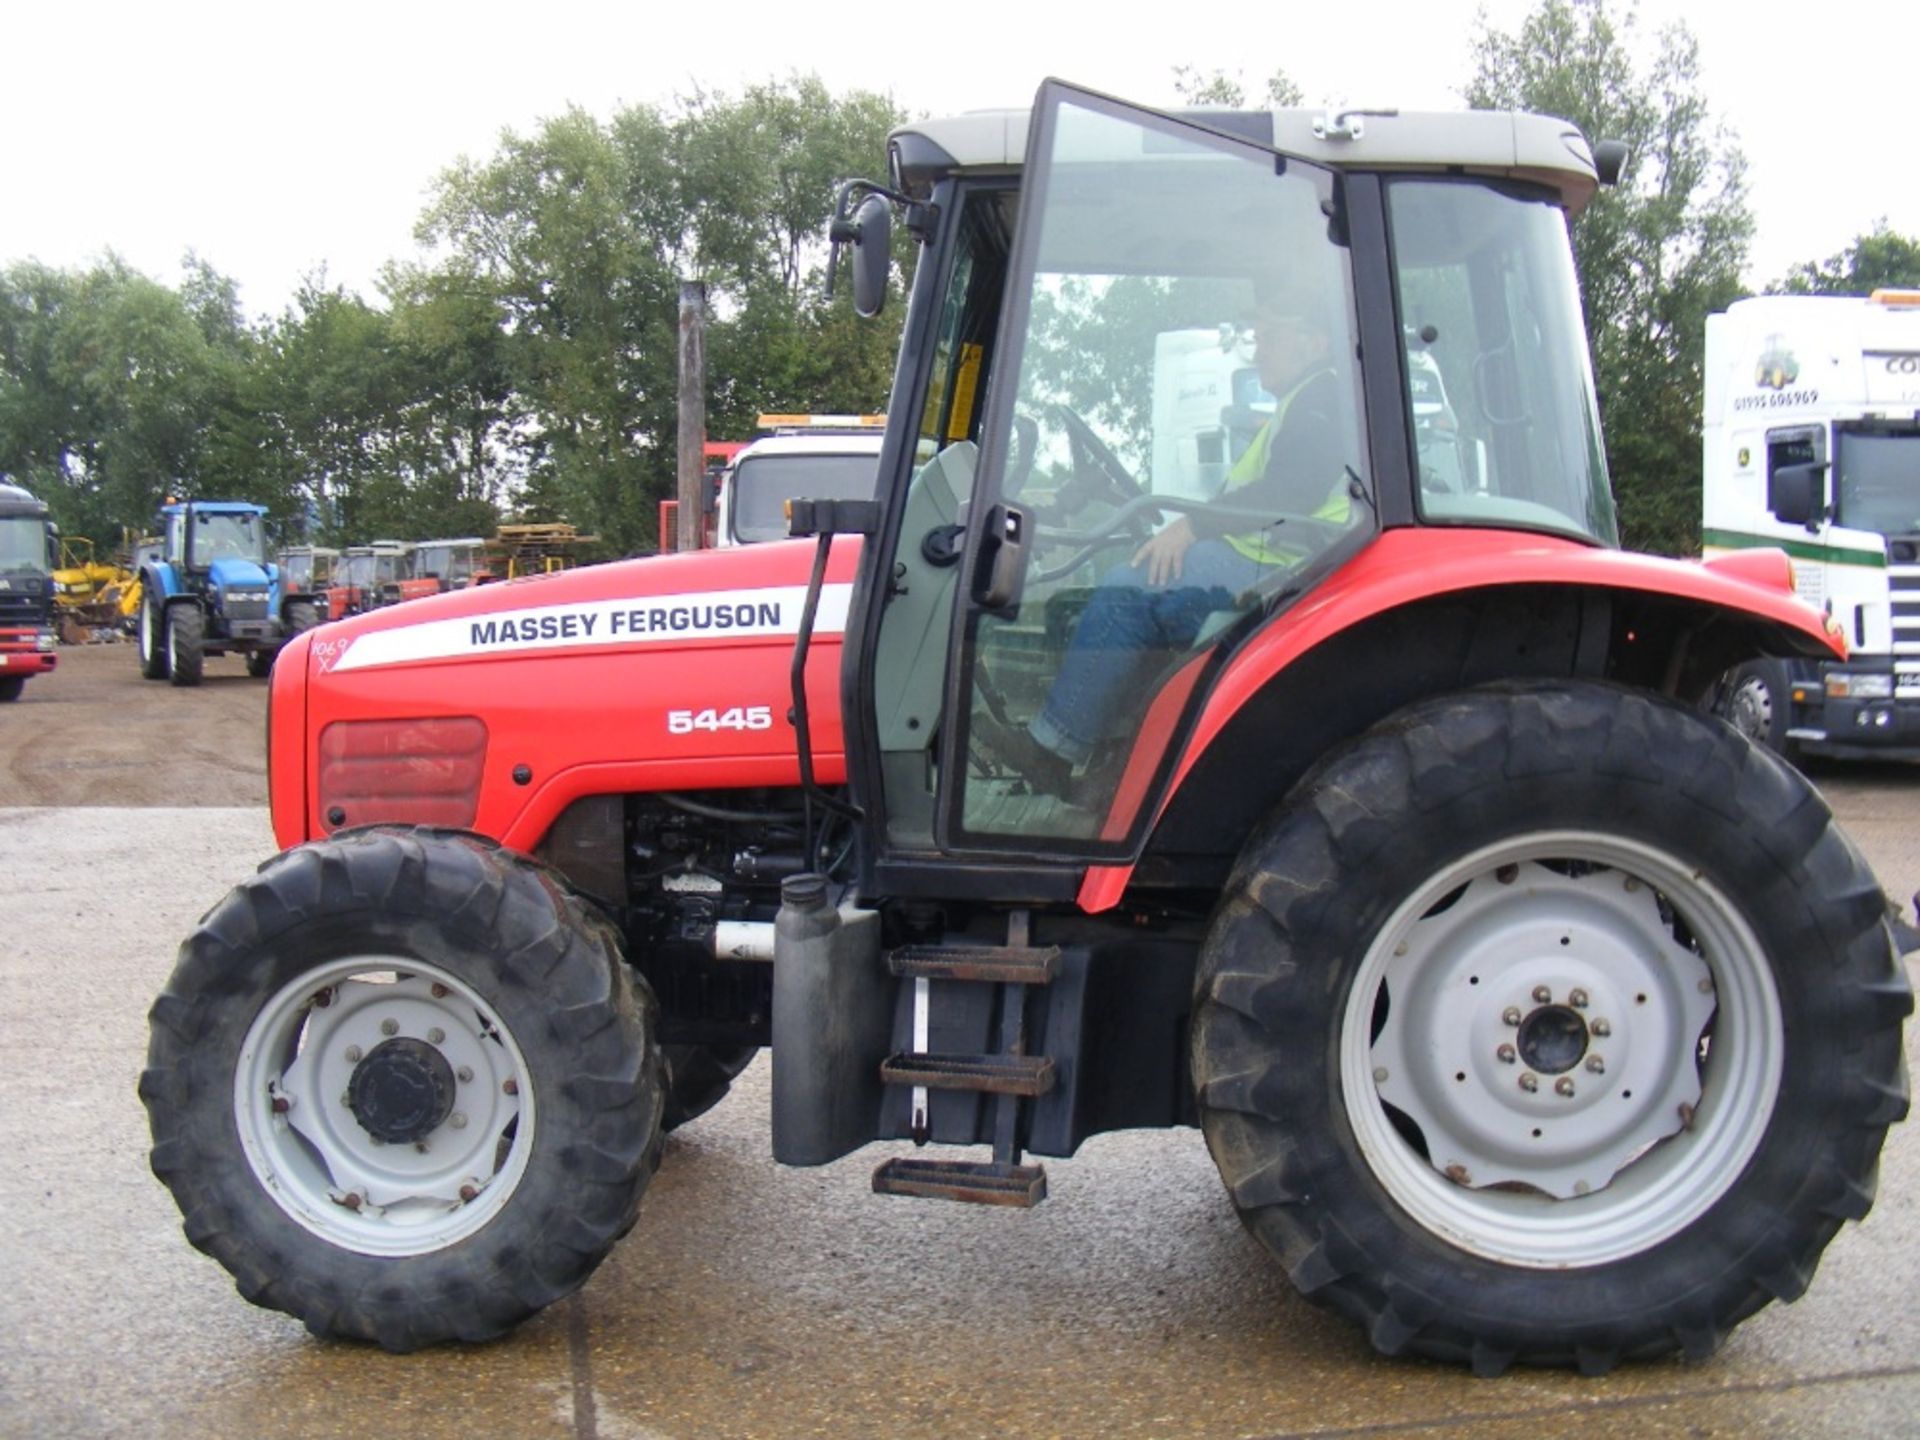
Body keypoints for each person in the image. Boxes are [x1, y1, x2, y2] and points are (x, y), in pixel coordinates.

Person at [977, 281, 1352, 799]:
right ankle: (1116, 758)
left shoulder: (1321, 399)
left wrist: (1193, 526)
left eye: (1269, 337)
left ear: (1313, 343)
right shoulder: (1307, 400)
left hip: (1285, 574)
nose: (1258, 349)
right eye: (1254, 336)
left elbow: (1290, 491)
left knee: (1128, 592)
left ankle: (1053, 749)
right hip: (1274, 563)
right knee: (1087, 600)